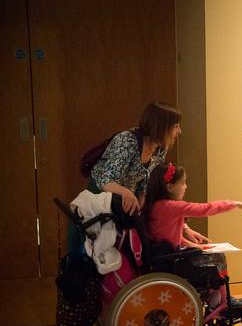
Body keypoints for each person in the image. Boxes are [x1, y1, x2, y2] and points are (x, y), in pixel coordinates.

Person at [67, 101, 183, 254]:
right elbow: (105, 180)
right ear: (161, 126)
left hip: (122, 202)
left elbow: (146, 178)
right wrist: (127, 193)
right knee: (90, 252)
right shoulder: (127, 141)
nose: (179, 131)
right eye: (175, 126)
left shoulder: (160, 148)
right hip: (99, 199)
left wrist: (142, 196)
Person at [143, 162, 242, 307]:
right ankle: (223, 300)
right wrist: (234, 203)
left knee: (208, 252)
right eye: (183, 183)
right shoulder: (171, 206)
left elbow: (170, 238)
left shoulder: (154, 205)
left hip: (164, 257)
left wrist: (196, 246)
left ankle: (215, 297)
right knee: (218, 257)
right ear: (170, 187)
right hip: (172, 262)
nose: (185, 187)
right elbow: (205, 209)